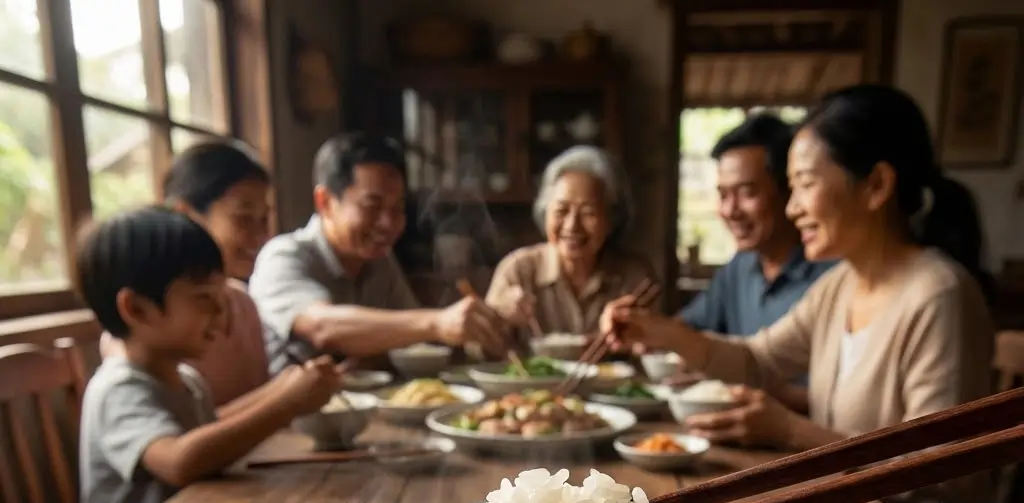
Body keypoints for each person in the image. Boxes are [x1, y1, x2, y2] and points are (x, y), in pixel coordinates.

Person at [601, 85, 995, 503]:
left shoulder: (938, 295)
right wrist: (657, 331)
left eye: (805, 184)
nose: (792, 208)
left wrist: (792, 431)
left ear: (876, 186)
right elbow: (758, 360)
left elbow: (935, 472)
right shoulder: (841, 286)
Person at [77, 207, 342, 503]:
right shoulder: (118, 389)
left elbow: (211, 430)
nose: (221, 313)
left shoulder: (187, 380)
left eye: (221, 298)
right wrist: (287, 403)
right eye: (205, 299)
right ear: (137, 309)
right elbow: (180, 461)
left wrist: (285, 386)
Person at [249, 132, 511, 375]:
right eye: (371, 206)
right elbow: (321, 327)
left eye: (397, 209)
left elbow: (414, 341)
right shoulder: (283, 256)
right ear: (325, 202)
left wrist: (489, 325)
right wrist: (437, 323)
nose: (388, 223)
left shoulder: (379, 260)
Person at [100, 140, 273, 407]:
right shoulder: (141, 332)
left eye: (264, 220)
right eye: (243, 218)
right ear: (184, 215)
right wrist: (282, 399)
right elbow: (180, 427)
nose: (261, 237)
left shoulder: (243, 304)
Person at [681, 114, 835, 337]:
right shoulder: (739, 268)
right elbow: (686, 327)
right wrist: (641, 327)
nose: (730, 211)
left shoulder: (832, 276)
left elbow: (762, 355)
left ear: (788, 190)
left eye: (747, 193)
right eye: (723, 195)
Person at [485, 145, 656, 341]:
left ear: (612, 219)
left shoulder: (635, 277)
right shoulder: (518, 270)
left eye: (588, 213)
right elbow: (479, 351)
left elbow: (655, 351)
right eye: (561, 210)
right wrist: (497, 320)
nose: (572, 226)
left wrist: (641, 337)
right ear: (545, 213)